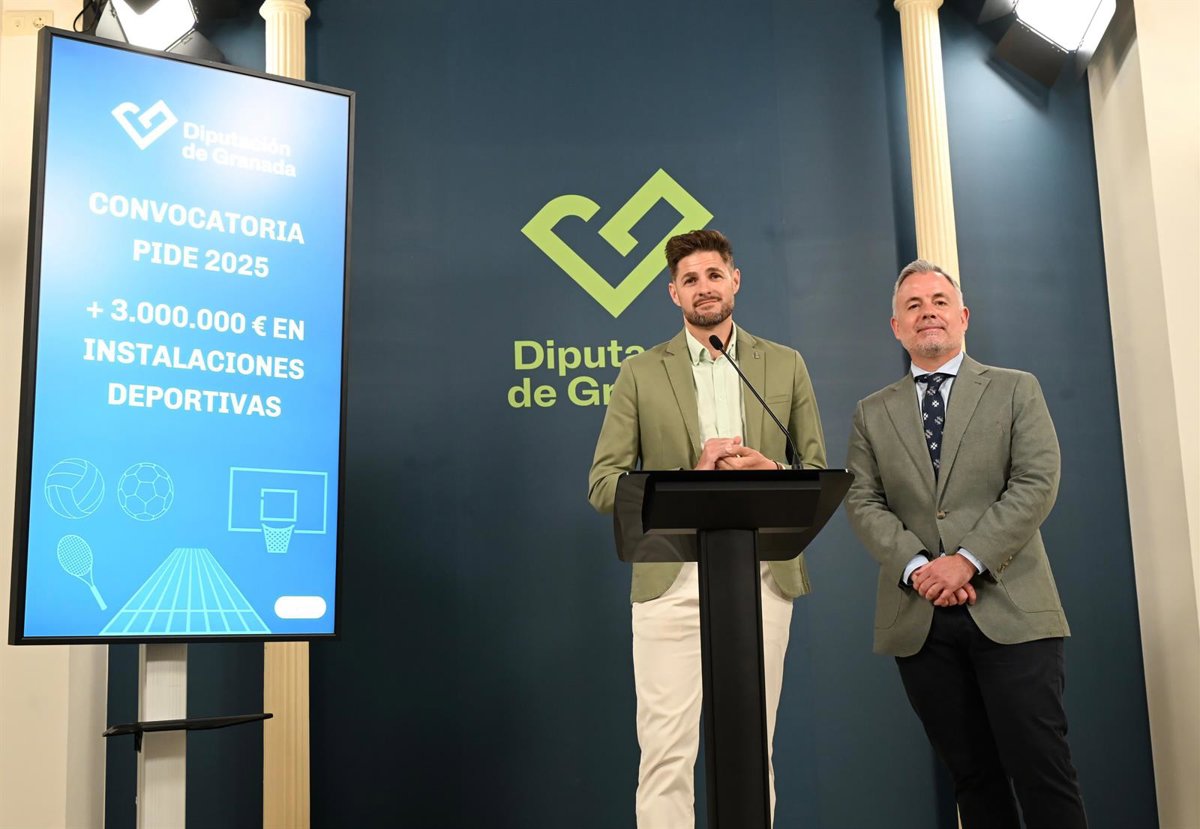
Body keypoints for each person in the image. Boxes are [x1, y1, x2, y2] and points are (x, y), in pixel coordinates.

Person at [587, 229, 825, 828]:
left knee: (752, 750)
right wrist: (686, 481)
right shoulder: (640, 372)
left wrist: (773, 472)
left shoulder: (785, 364)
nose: (704, 288)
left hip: (762, 577)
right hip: (671, 581)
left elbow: (816, 474)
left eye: (714, 275)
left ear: (735, 281)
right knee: (666, 754)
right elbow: (604, 485)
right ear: (674, 294)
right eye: (689, 279)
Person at [844, 259, 1087, 828]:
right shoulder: (871, 413)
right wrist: (918, 567)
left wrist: (967, 561)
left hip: (1012, 610)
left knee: (1043, 771)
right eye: (913, 305)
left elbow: (1036, 481)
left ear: (963, 316)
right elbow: (862, 500)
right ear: (896, 327)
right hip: (921, 619)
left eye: (939, 302)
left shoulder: (1015, 389)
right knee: (973, 782)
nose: (927, 312)